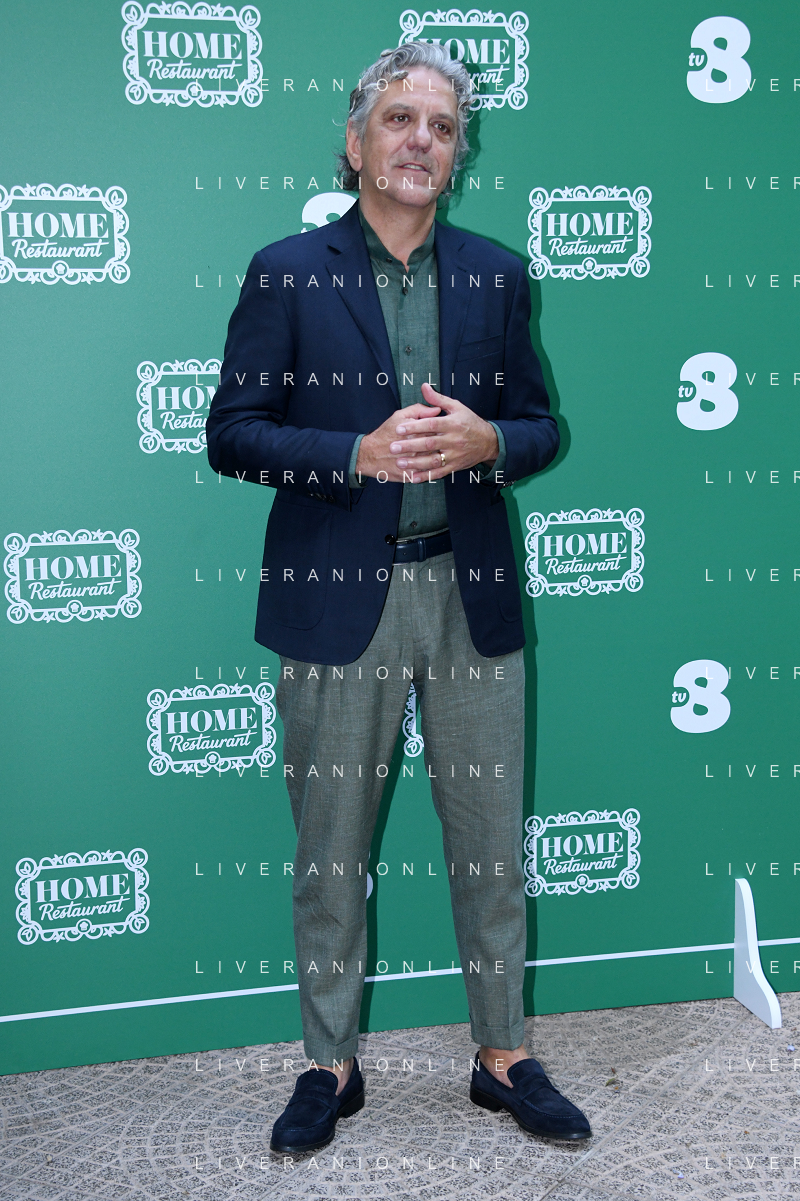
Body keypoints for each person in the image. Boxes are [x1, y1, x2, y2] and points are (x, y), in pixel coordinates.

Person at [206, 40, 590, 1154]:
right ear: (355, 139)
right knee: (330, 854)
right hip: (338, 604)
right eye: (400, 119)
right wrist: (354, 455)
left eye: (443, 127)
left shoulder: (498, 274)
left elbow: (542, 426)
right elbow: (232, 432)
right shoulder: (286, 271)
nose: (422, 140)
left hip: (470, 598)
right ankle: (328, 1063)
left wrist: (492, 441)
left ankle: (502, 1054)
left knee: (489, 846)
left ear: (457, 153)